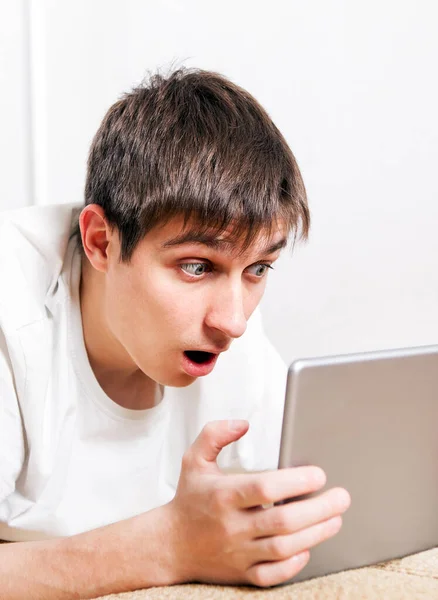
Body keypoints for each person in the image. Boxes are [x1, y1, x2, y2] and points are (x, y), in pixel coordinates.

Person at [0, 68, 350, 597]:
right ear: (100, 242)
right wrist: (170, 546)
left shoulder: (232, 329)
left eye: (258, 269)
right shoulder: (13, 312)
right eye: (196, 266)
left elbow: (311, 500)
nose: (233, 322)